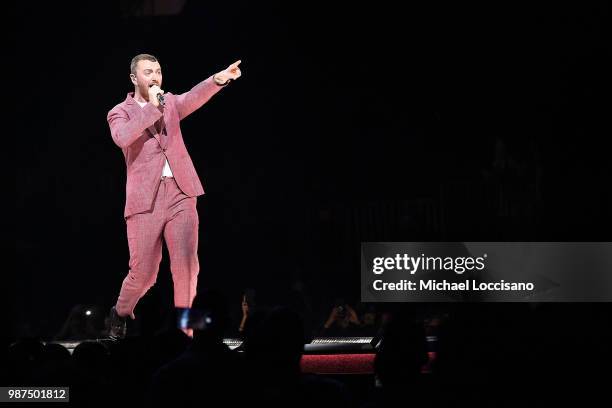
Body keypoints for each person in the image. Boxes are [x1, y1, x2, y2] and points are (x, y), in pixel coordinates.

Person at [106, 53, 242, 338]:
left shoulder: (170, 102)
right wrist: (152, 108)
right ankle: (120, 312)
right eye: (147, 72)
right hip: (145, 200)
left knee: (186, 265)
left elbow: (192, 97)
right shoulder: (120, 111)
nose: (155, 77)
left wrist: (217, 80)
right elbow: (122, 137)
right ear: (134, 78)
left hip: (181, 191)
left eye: (157, 71)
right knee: (144, 274)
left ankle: (187, 333)